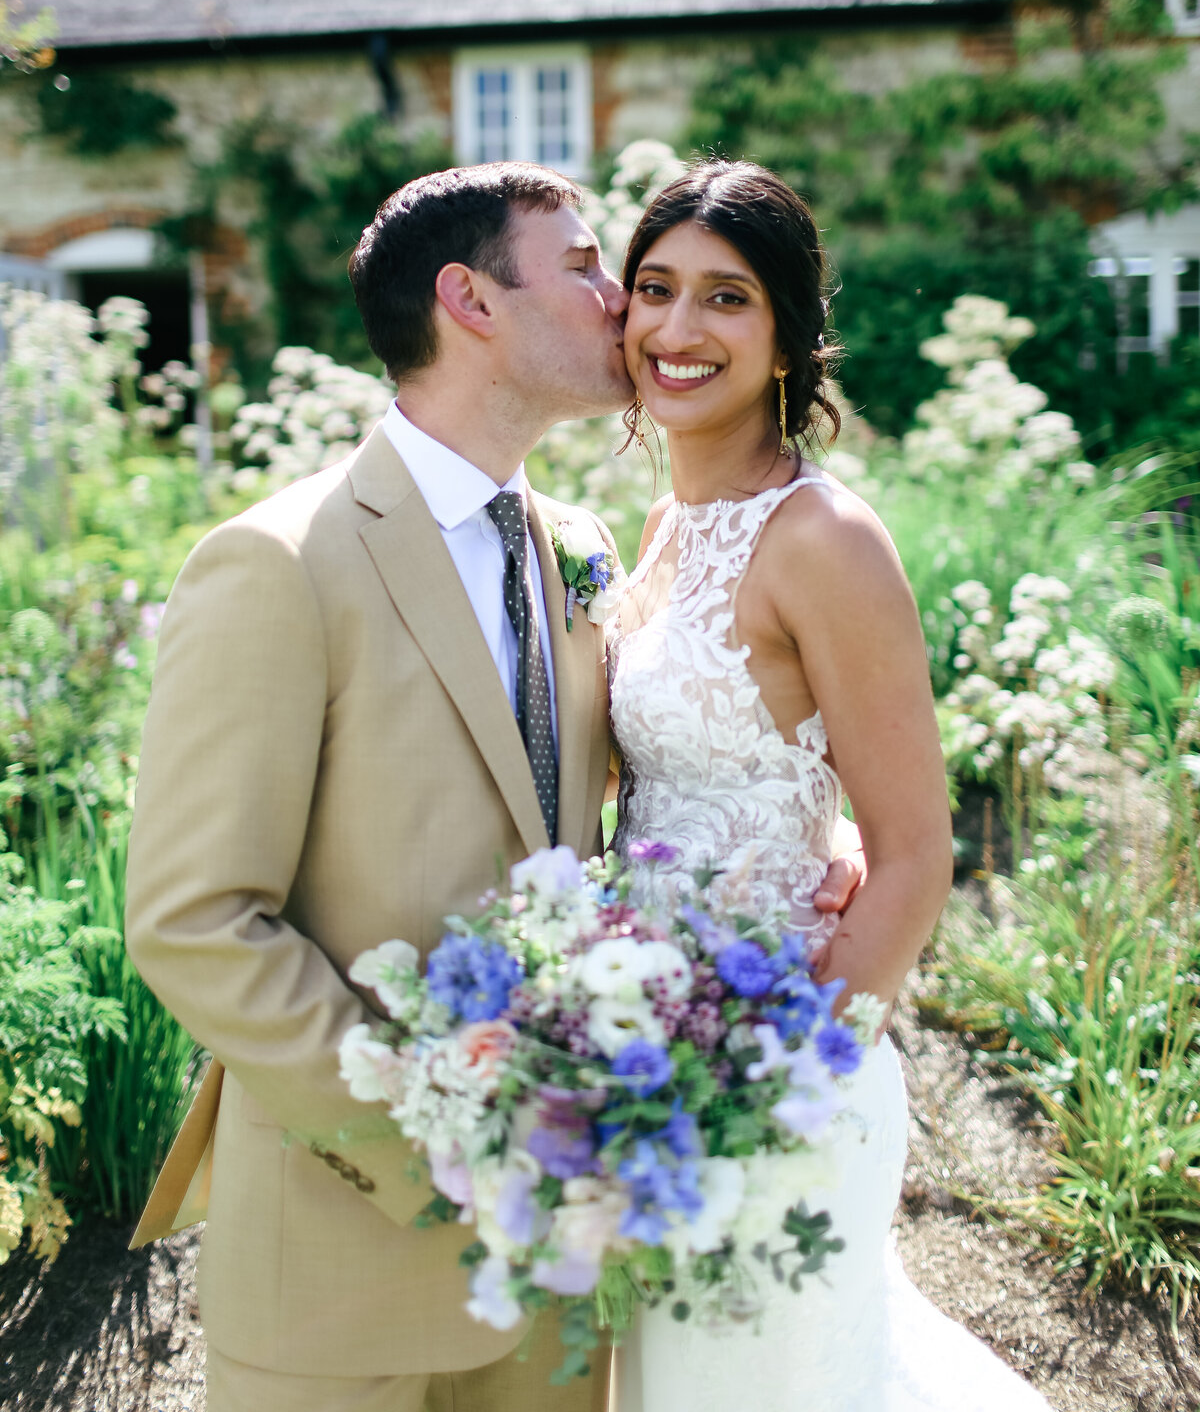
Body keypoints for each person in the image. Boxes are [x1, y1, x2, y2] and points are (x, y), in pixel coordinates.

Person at [124, 160, 864, 1412]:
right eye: (587, 269)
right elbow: (196, 921)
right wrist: (444, 1149)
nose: (624, 309)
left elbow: (676, 760)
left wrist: (817, 830)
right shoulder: (274, 563)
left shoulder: (581, 545)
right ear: (470, 300)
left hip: (562, 1276)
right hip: (344, 1271)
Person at [607, 160, 1051, 1412]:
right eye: (654, 289)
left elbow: (914, 853)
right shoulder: (660, 529)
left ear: (790, 337)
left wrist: (775, 1082)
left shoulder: (827, 541)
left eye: (727, 299)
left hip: (774, 1084)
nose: (678, 331)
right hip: (648, 1073)